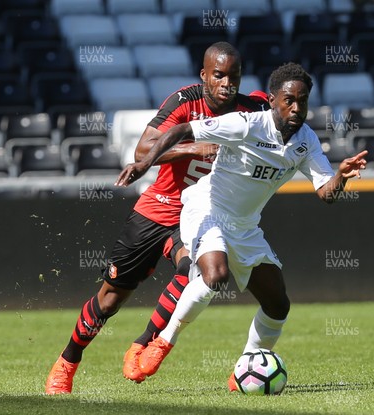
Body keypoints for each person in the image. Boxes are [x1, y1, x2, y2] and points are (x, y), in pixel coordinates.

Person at [117, 62, 368, 391]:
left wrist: (341, 176)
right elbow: (182, 131)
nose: (295, 107)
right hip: (207, 206)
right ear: (273, 100)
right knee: (215, 275)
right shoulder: (246, 124)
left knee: (278, 304)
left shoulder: (305, 141)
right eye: (288, 100)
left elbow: (326, 194)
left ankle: (249, 365)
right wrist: (143, 163)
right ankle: (162, 344)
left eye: (302, 101)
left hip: (245, 226)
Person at [45, 42, 267, 394]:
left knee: (191, 269)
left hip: (198, 215)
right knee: (109, 300)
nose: (227, 84)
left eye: (234, 77)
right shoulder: (184, 101)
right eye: (219, 75)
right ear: (204, 76)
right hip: (156, 210)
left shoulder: (251, 110)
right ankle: (67, 362)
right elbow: (144, 150)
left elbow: (277, 115)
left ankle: (145, 343)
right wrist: (193, 147)